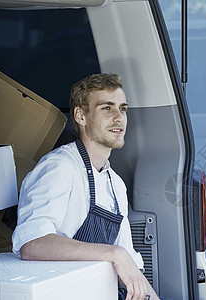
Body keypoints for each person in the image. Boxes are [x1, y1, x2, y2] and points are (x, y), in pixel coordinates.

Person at [12, 73, 159, 300]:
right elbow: (32, 245)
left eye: (123, 109)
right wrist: (113, 253)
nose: (119, 118)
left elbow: (129, 266)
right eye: (107, 108)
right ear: (81, 116)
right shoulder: (59, 168)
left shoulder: (116, 185)